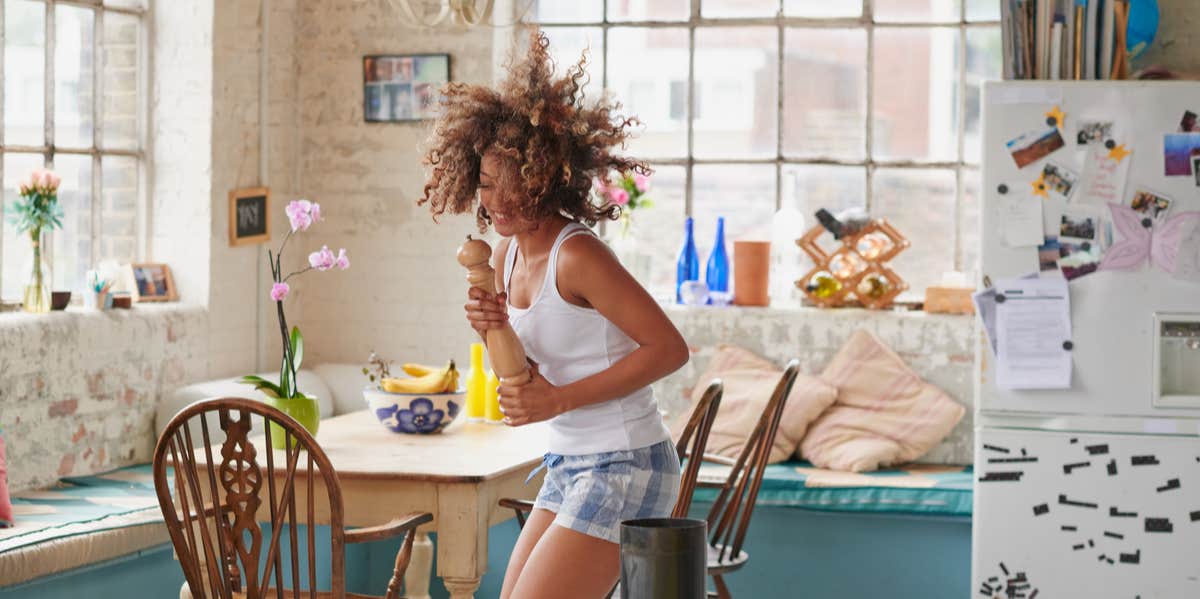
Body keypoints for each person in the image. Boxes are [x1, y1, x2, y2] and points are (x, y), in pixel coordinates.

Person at [419, 29, 689, 599]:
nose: (495, 201)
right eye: (487, 184)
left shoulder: (579, 255)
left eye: (513, 185)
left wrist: (556, 400)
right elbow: (522, 379)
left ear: (546, 177)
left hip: (626, 459)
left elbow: (669, 350)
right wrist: (492, 327)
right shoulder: (505, 253)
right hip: (569, 457)